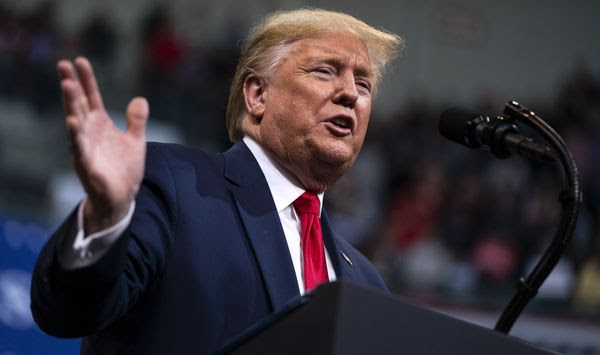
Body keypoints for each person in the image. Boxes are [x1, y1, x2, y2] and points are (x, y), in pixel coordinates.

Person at [30, 8, 403, 354]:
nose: (350, 94)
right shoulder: (174, 184)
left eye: (364, 84)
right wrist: (106, 219)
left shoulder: (366, 283)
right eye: (324, 71)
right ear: (258, 95)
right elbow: (69, 311)